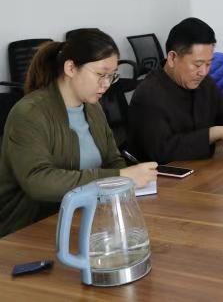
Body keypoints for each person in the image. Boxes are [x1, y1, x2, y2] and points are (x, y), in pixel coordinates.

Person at [0, 29, 156, 237]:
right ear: (71, 68)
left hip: (85, 217)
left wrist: (130, 180)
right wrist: (118, 177)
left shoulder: (93, 108)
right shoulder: (29, 113)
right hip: (30, 228)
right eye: (100, 74)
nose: (106, 84)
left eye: (112, 76)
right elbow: (38, 182)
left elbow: (113, 160)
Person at [127, 18, 223, 164]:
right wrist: (214, 133)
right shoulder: (148, 94)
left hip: (202, 168)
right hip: (163, 175)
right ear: (172, 58)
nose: (203, 72)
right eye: (197, 64)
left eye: (208, 64)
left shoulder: (204, 82)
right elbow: (163, 151)